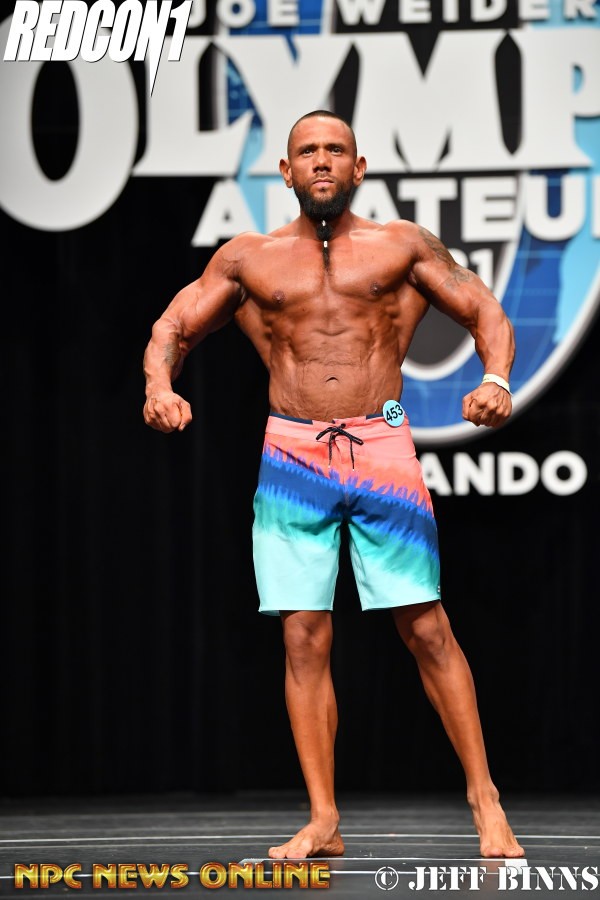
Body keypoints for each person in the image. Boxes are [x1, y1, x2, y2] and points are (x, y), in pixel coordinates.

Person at [143, 110, 524, 861]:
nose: (322, 160)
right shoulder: (248, 258)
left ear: (359, 167)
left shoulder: (401, 245)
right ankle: (323, 819)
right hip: (292, 456)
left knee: (426, 627)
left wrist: (497, 378)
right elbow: (173, 328)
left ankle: (485, 799)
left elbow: (483, 308)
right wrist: (159, 385)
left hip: (380, 445)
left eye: (336, 150)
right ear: (286, 171)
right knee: (303, 635)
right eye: (308, 151)